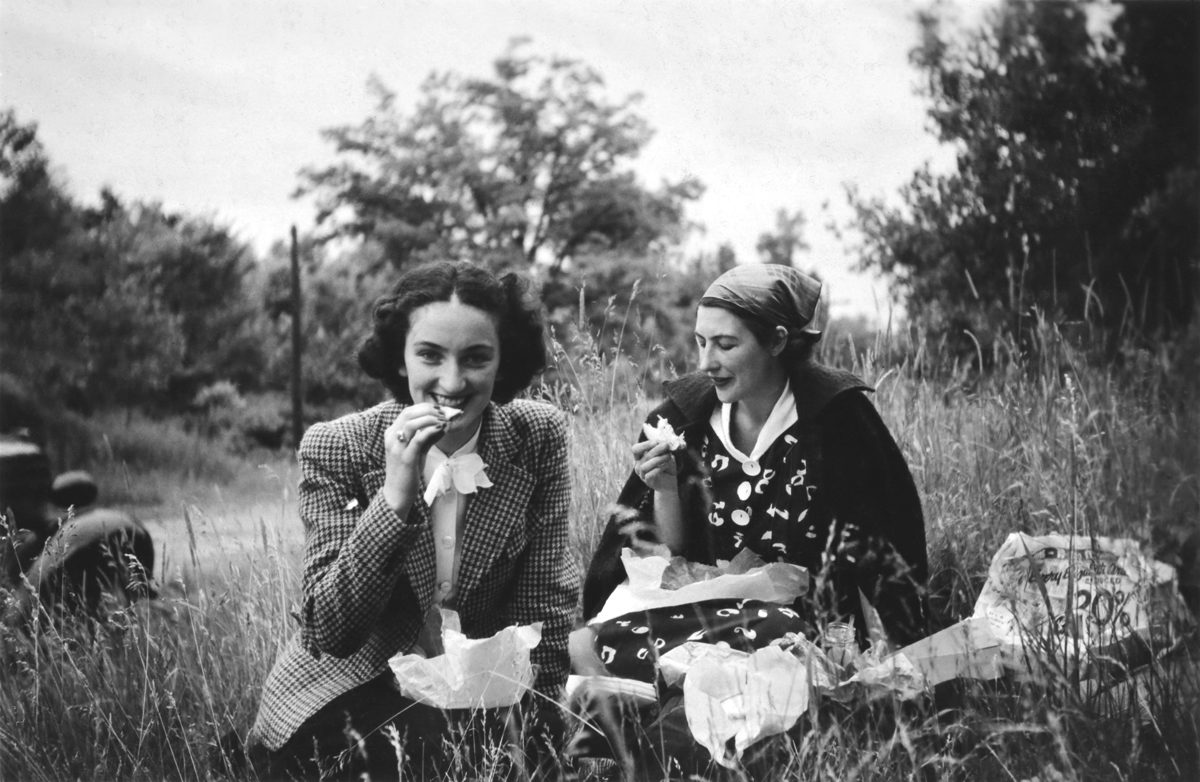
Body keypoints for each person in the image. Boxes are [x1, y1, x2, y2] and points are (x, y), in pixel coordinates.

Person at [572, 264, 927, 771]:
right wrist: (666, 489)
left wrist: (897, 646)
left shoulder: (835, 420)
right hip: (697, 608)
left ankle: (669, 745)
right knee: (597, 643)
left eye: (725, 345)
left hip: (798, 620)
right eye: (700, 343)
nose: (707, 362)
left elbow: (885, 547)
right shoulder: (682, 417)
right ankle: (627, 743)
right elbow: (671, 559)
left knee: (761, 652)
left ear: (778, 340)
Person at [246, 261, 578, 780]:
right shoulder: (337, 445)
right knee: (437, 758)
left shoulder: (539, 437)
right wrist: (396, 493)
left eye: (475, 358)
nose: (452, 381)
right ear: (400, 359)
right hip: (350, 687)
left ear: (502, 361)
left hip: (470, 693)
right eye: (430, 355)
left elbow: (543, 609)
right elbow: (329, 631)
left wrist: (543, 725)